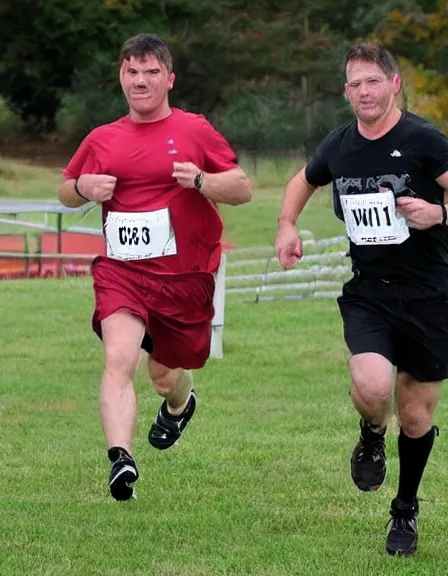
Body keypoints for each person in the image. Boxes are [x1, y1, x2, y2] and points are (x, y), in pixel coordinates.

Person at [274, 42, 448, 556]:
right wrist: (287, 225)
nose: (363, 92)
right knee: (373, 386)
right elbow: (301, 181)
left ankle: (405, 510)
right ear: (345, 91)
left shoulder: (421, 138)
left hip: (428, 294)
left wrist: (437, 214)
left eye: (373, 81)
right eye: (354, 83)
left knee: (416, 414)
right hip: (370, 292)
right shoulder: (339, 144)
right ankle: (372, 431)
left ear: (394, 84)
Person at [58, 33, 252, 501]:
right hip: (122, 272)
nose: (139, 81)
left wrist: (201, 180)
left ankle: (179, 404)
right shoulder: (102, 138)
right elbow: (65, 190)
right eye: (131, 71)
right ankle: (120, 458)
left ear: (169, 79)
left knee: (165, 375)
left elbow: (242, 188)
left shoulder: (194, 130)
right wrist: (84, 188)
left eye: (150, 72)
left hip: (184, 278)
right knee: (118, 358)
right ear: (121, 76)